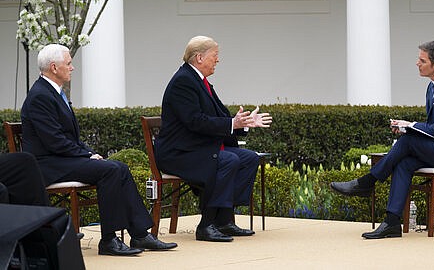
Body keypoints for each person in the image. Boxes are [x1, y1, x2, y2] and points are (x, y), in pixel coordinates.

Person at [21, 44, 177, 256]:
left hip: (62, 159)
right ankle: (109, 240)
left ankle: (140, 234)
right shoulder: (40, 95)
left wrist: (89, 152)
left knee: (119, 167)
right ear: (54, 67)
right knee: (110, 170)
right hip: (49, 164)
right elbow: (54, 142)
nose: (72, 67)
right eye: (69, 63)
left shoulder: (52, 92)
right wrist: (86, 155)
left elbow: (70, 138)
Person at [330, 41, 434, 239]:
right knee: (404, 162)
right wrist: (406, 128)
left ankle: (367, 182)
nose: (417, 63)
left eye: (422, 60)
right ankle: (392, 223)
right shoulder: (433, 86)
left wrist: (410, 126)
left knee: (408, 141)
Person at [155, 35, 272, 242]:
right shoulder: (184, 81)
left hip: (199, 149)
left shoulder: (201, 82)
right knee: (228, 160)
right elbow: (195, 121)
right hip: (179, 153)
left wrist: (243, 124)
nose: (218, 60)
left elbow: (221, 118)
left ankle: (224, 220)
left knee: (248, 158)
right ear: (199, 57)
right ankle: (206, 224)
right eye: (215, 55)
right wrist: (232, 124)